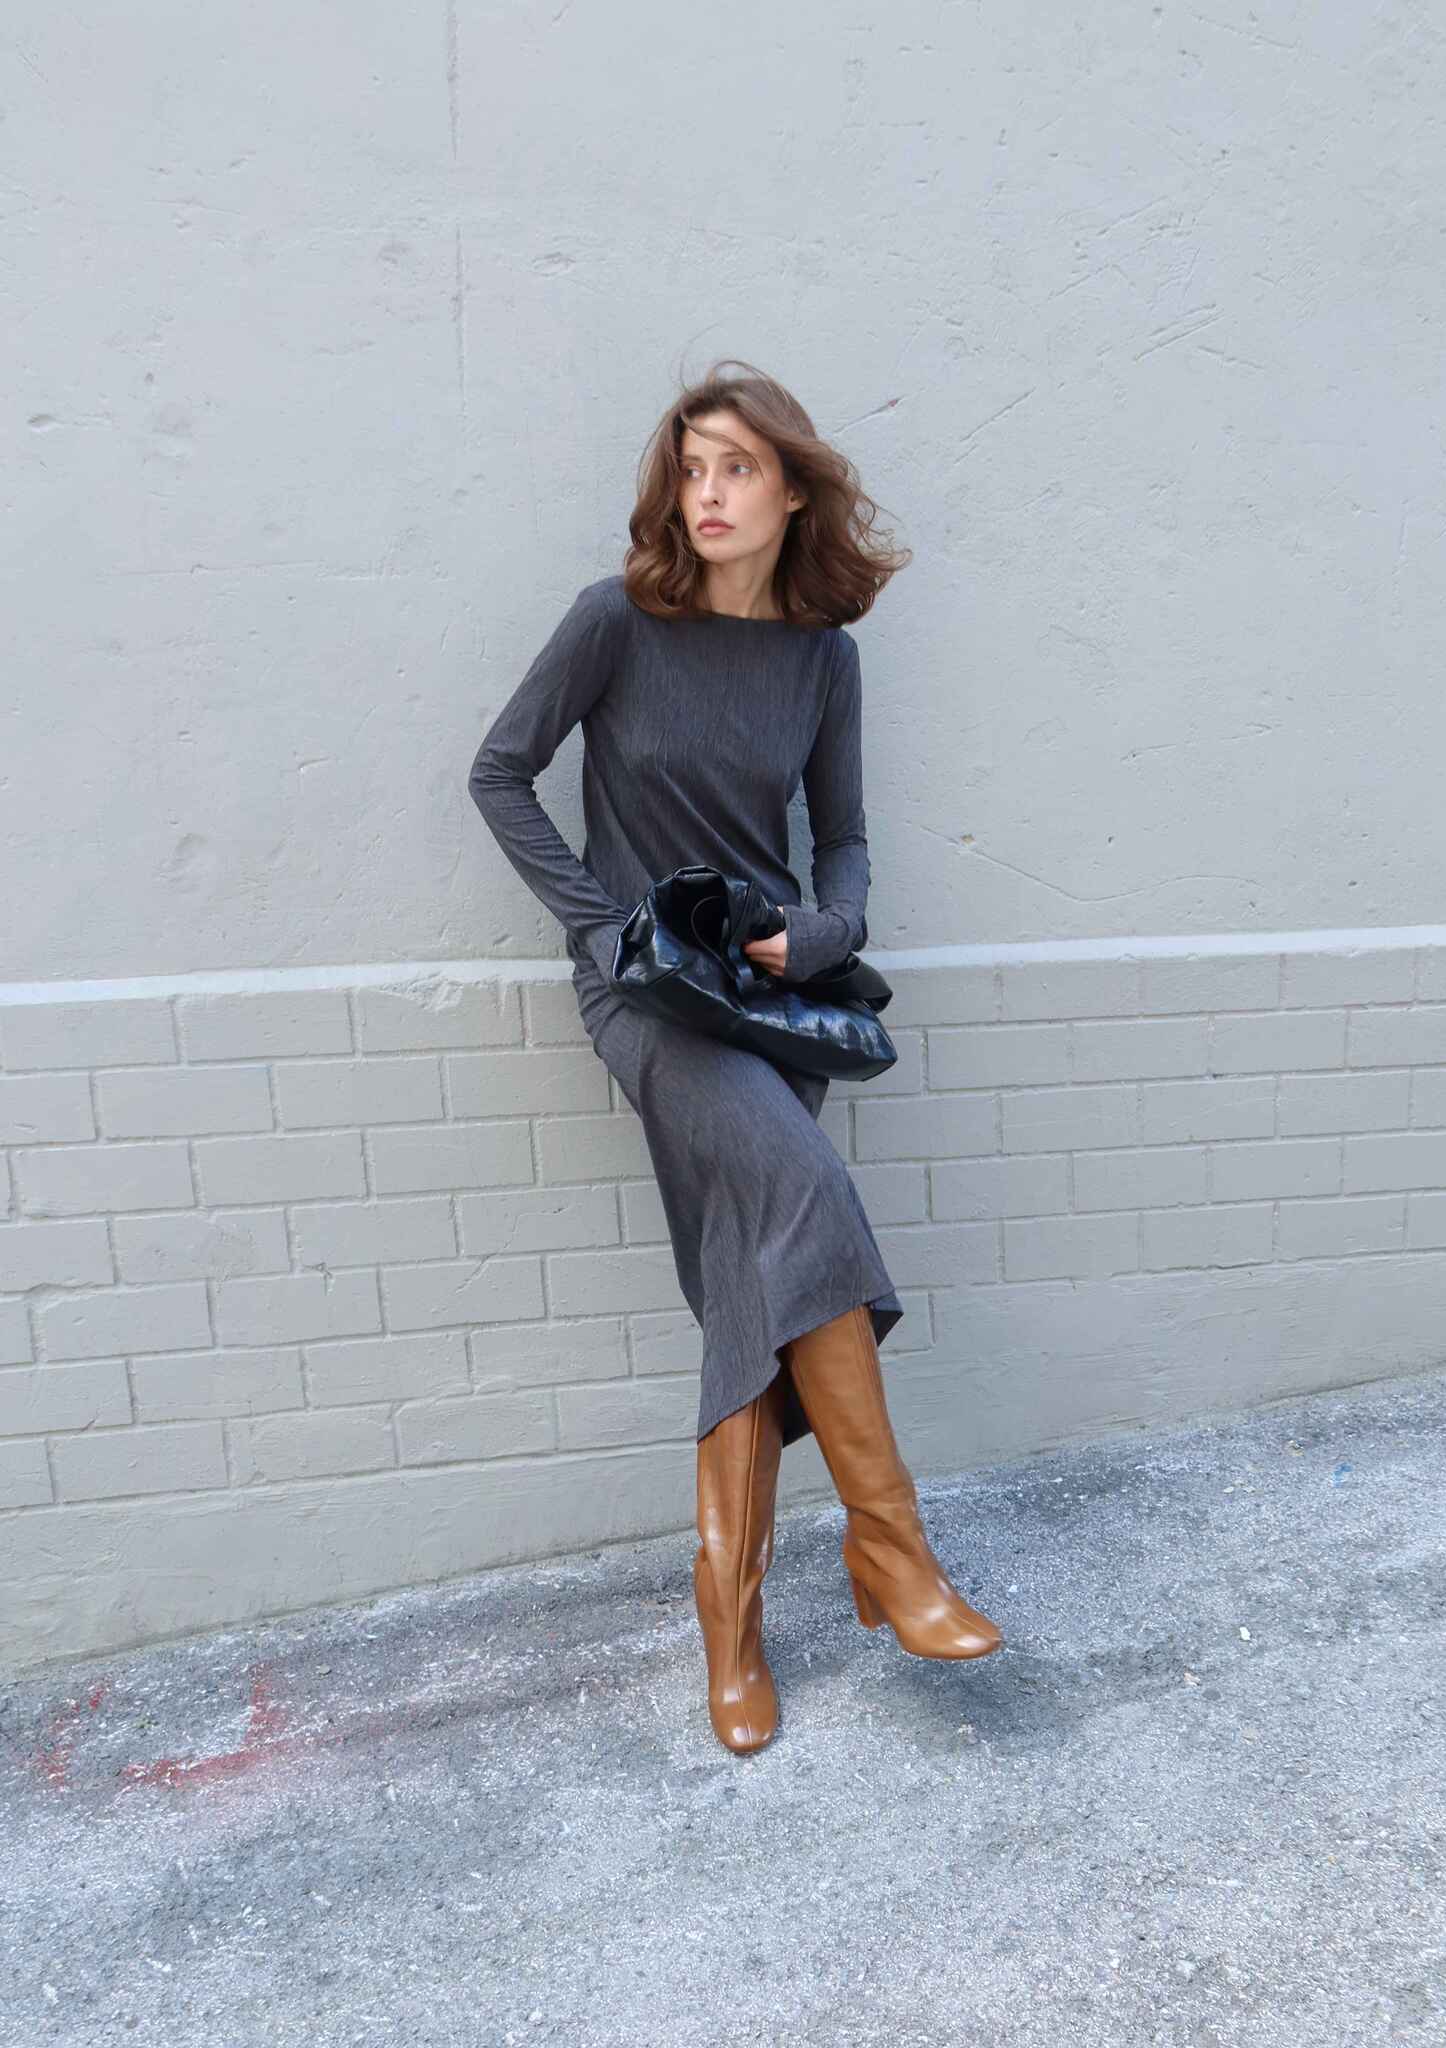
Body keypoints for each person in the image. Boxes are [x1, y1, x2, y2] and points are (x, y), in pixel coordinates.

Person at [467, 358, 1001, 1756]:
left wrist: (826, 932)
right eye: (691, 467)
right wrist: (599, 928)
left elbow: (845, 838)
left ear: (793, 493)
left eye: (738, 468)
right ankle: (892, 1548)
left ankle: (734, 1625)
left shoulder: (824, 660)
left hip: (769, 1001)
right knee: (807, 1196)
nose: (707, 493)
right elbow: (499, 773)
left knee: (751, 1287)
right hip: (652, 1004)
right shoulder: (615, 622)